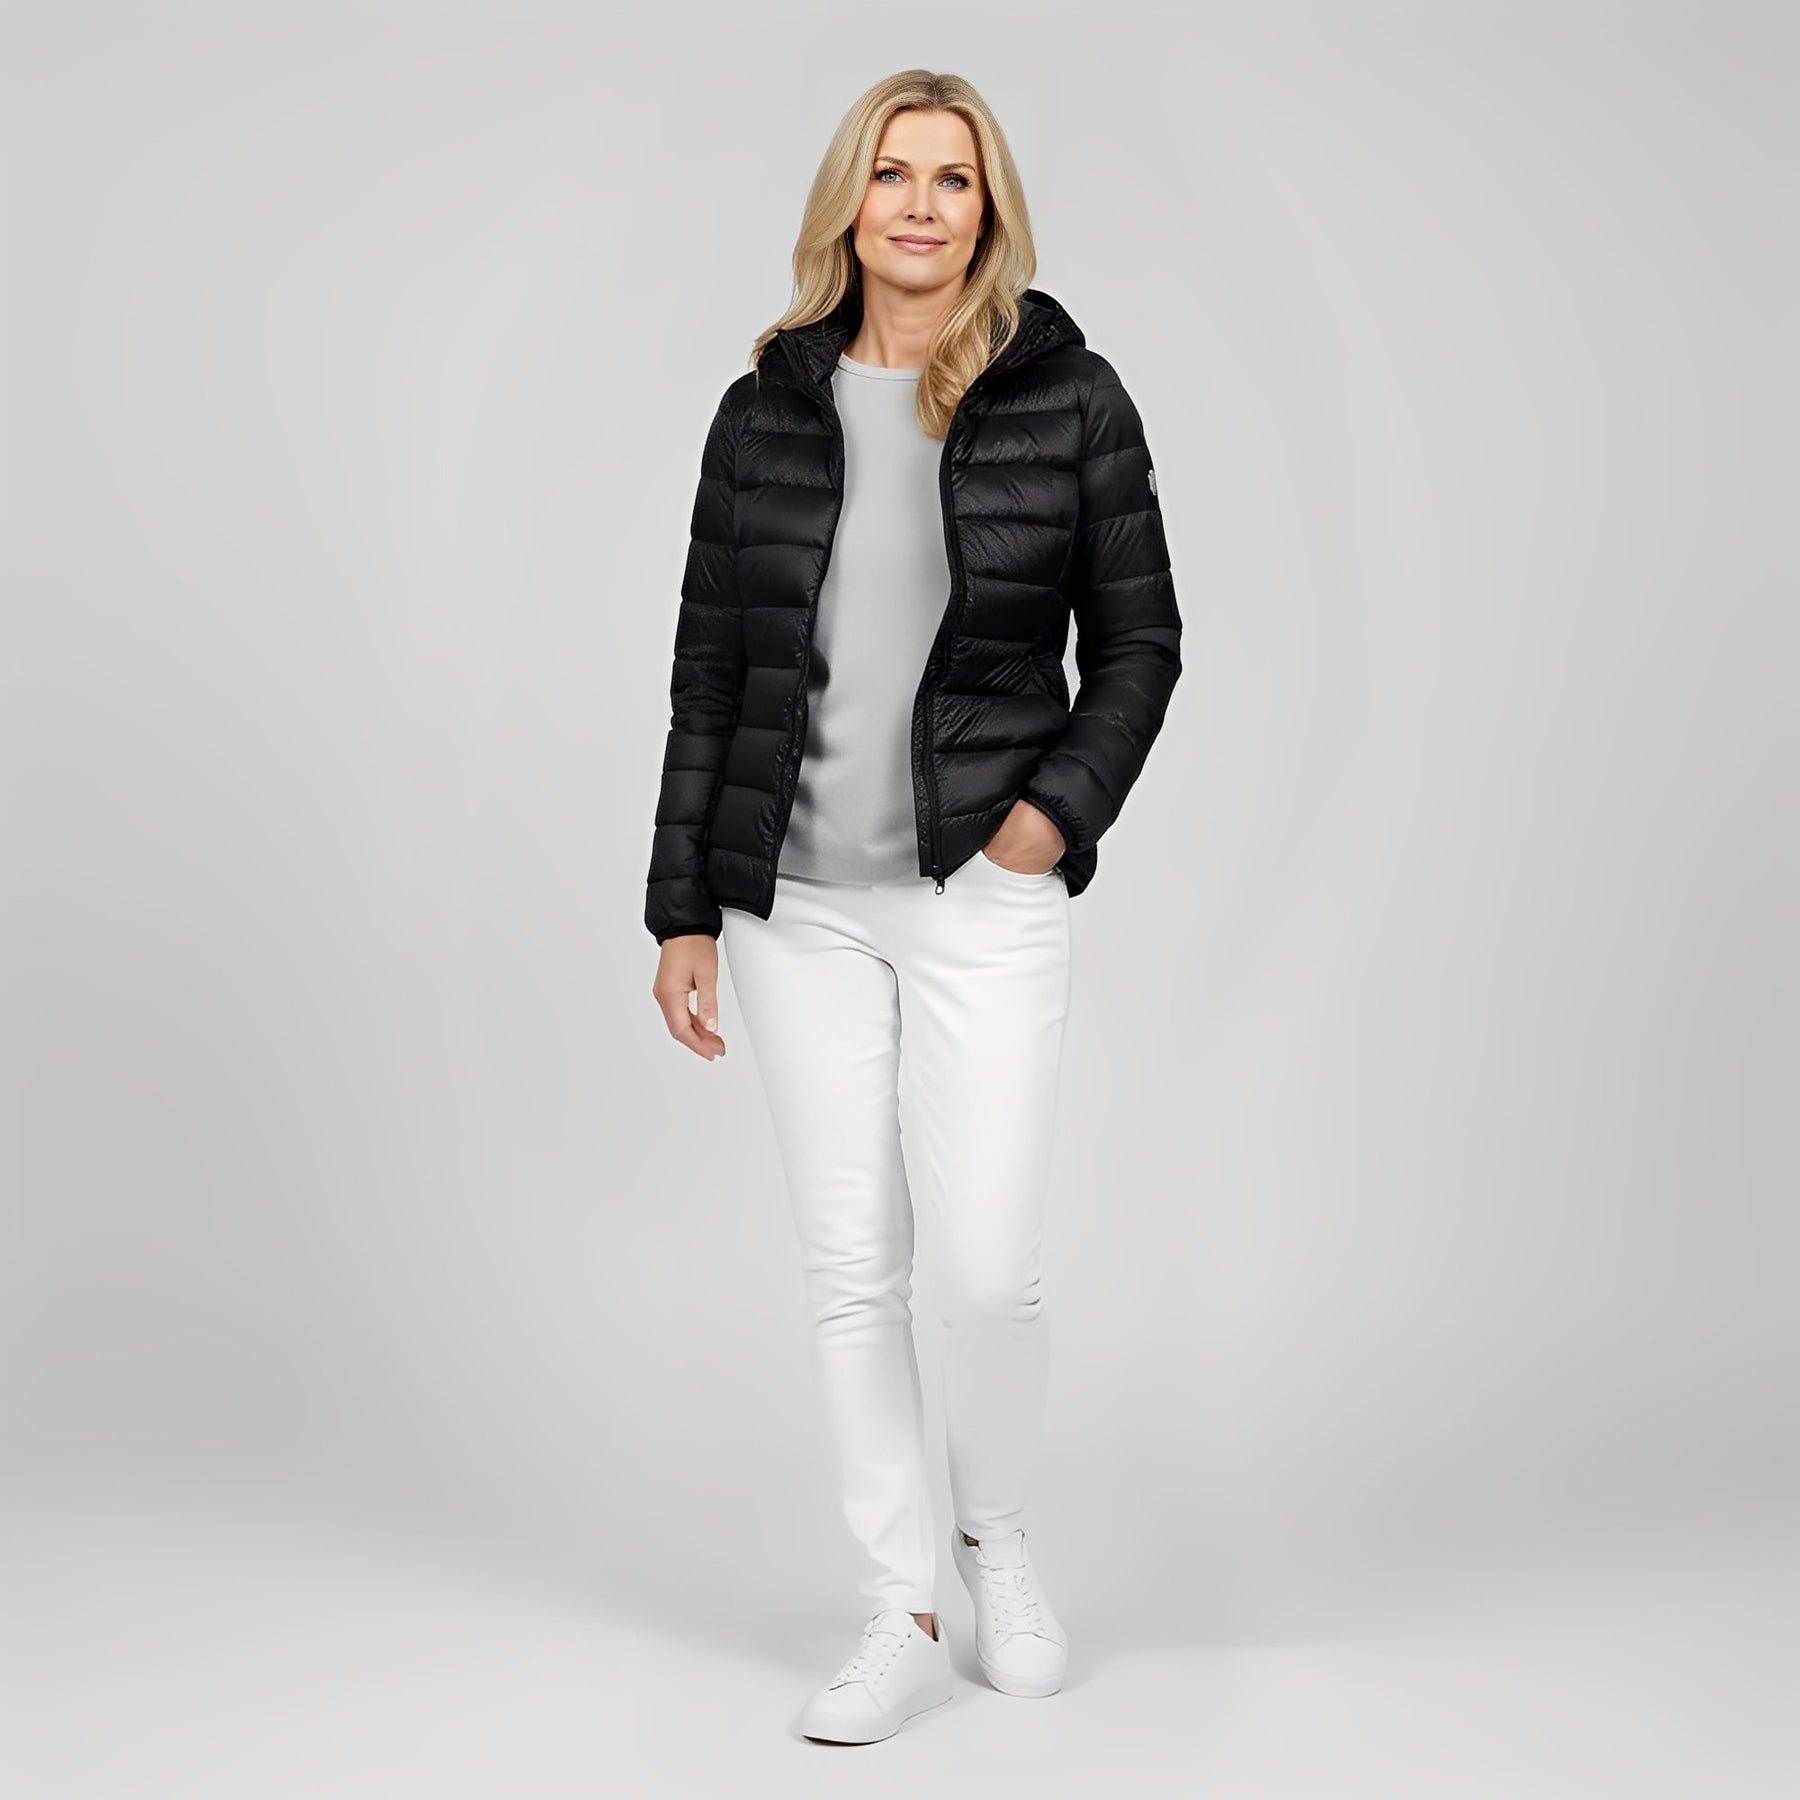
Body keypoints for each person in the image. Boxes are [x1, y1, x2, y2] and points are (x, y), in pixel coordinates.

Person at [647, 69, 1183, 1744]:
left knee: (990, 1268)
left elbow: (1142, 643)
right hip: (791, 906)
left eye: (955, 179)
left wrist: (1050, 817)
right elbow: (711, 671)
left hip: (979, 895)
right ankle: (900, 1601)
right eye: (894, 174)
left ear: (989, 210)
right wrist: (681, 909)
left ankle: (995, 1541)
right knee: (850, 1269)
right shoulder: (764, 412)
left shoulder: (1069, 397)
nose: (923, 206)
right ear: (851, 203)